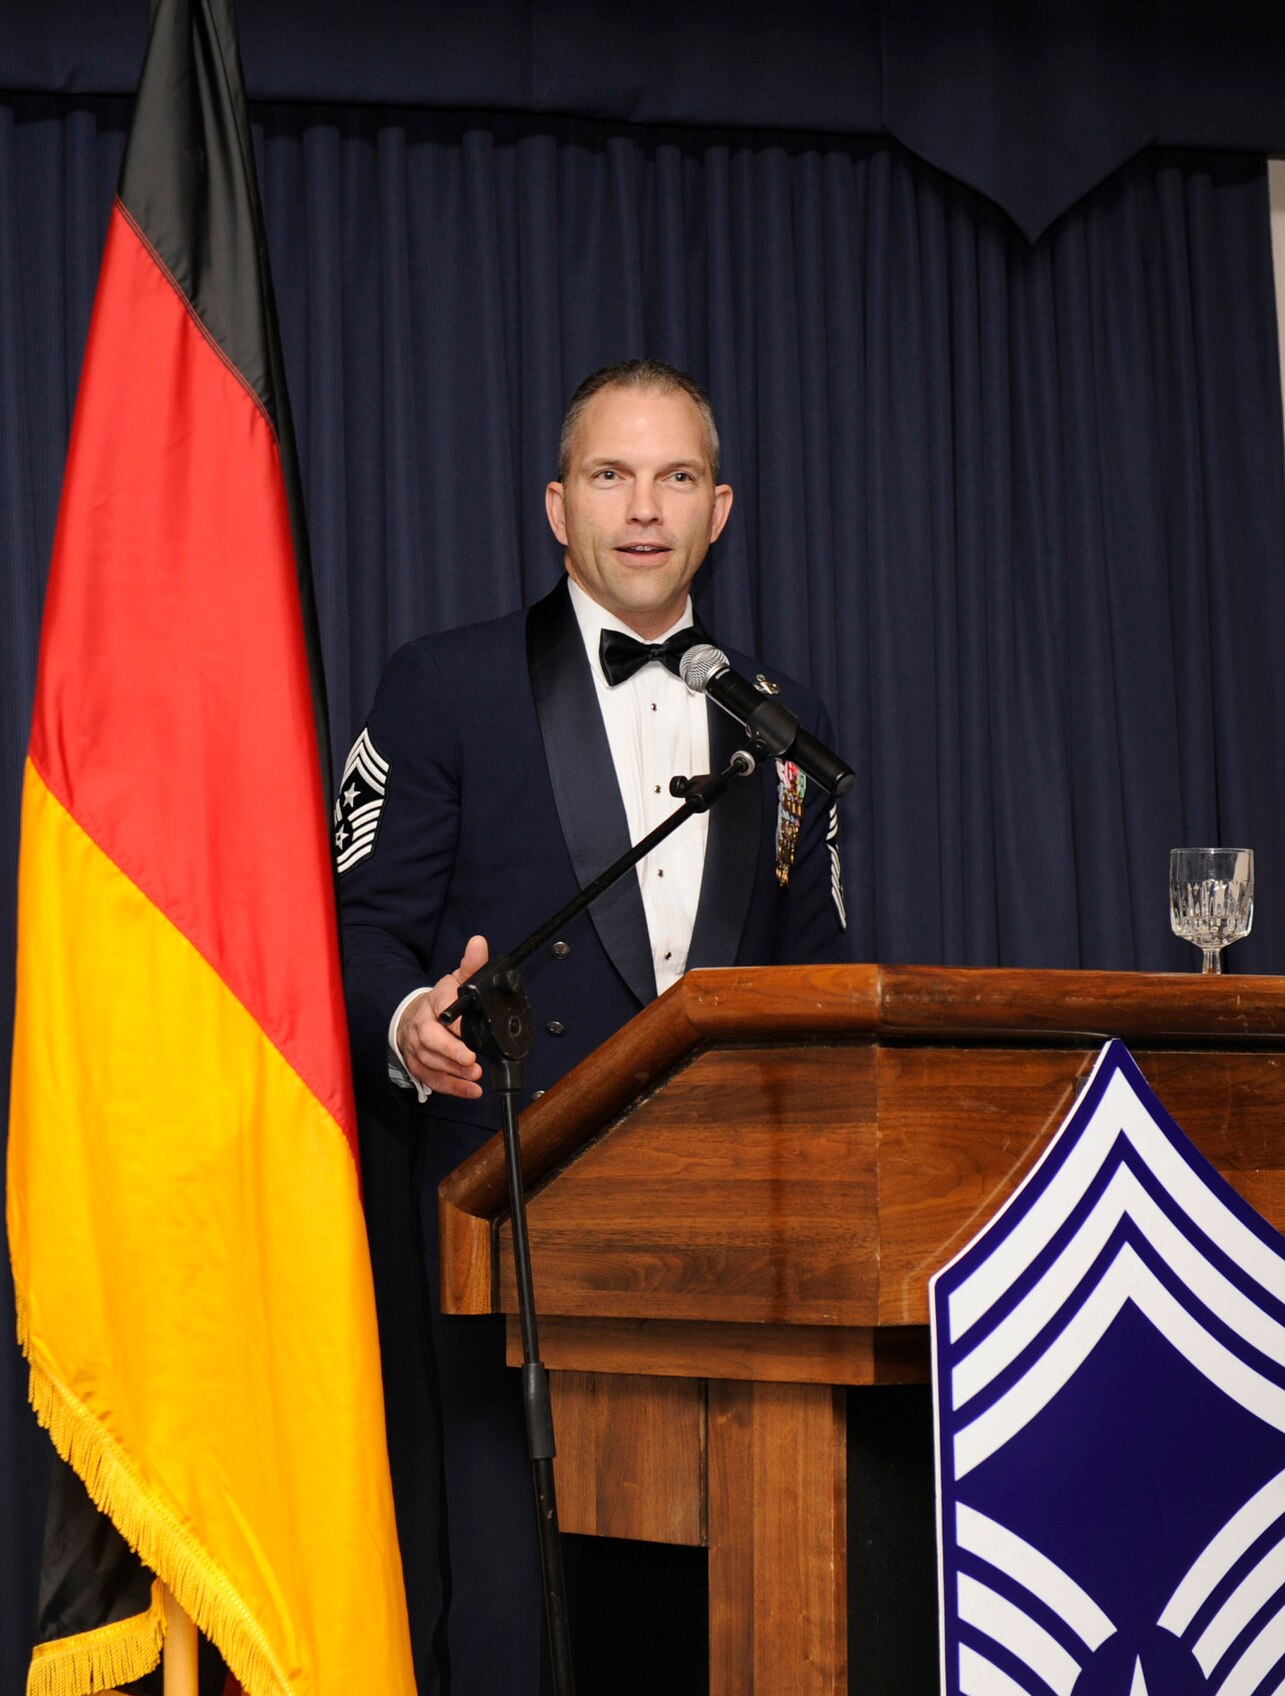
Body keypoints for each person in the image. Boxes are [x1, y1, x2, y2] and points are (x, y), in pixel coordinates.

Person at [336, 359, 849, 1694]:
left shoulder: (783, 726)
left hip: (731, 1249)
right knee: (514, 1617)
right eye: (611, 476)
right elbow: (353, 922)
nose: (643, 508)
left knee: (712, 1618)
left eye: (676, 477)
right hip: (508, 1219)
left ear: (720, 510)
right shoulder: (442, 686)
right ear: (556, 507)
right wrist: (406, 1022)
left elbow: (820, 972)